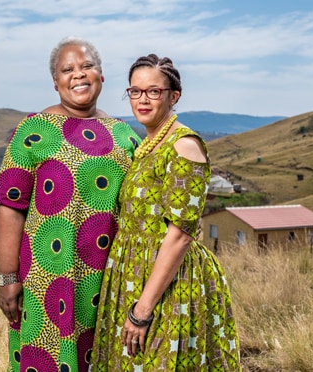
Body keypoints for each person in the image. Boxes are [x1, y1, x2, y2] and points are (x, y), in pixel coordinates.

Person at [0, 36, 141, 372]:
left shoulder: (124, 136)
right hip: (48, 278)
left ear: (101, 76)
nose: (78, 74)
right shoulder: (34, 131)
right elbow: (9, 207)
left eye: (87, 66)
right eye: (67, 69)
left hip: (111, 280)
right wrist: (7, 277)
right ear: (55, 82)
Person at [90, 54, 241, 371]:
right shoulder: (146, 144)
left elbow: (181, 235)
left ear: (174, 96)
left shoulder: (183, 145)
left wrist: (142, 310)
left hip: (166, 281)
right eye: (135, 91)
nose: (142, 100)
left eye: (153, 91)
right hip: (132, 273)